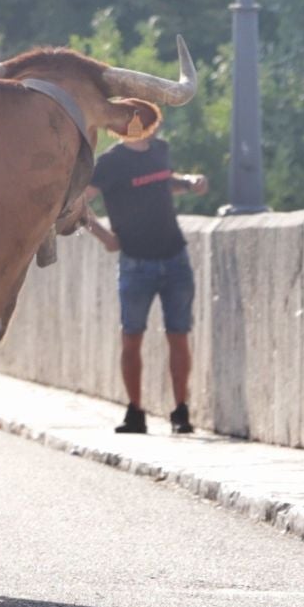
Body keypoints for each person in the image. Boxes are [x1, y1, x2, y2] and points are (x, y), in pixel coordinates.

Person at [72, 131, 210, 435]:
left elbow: (163, 180)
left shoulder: (160, 149)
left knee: (179, 335)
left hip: (175, 257)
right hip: (135, 261)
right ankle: (135, 412)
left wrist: (188, 182)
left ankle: (180, 412)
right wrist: (105, 236)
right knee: (131, 337)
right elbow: (77, 200)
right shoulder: (110, 162)